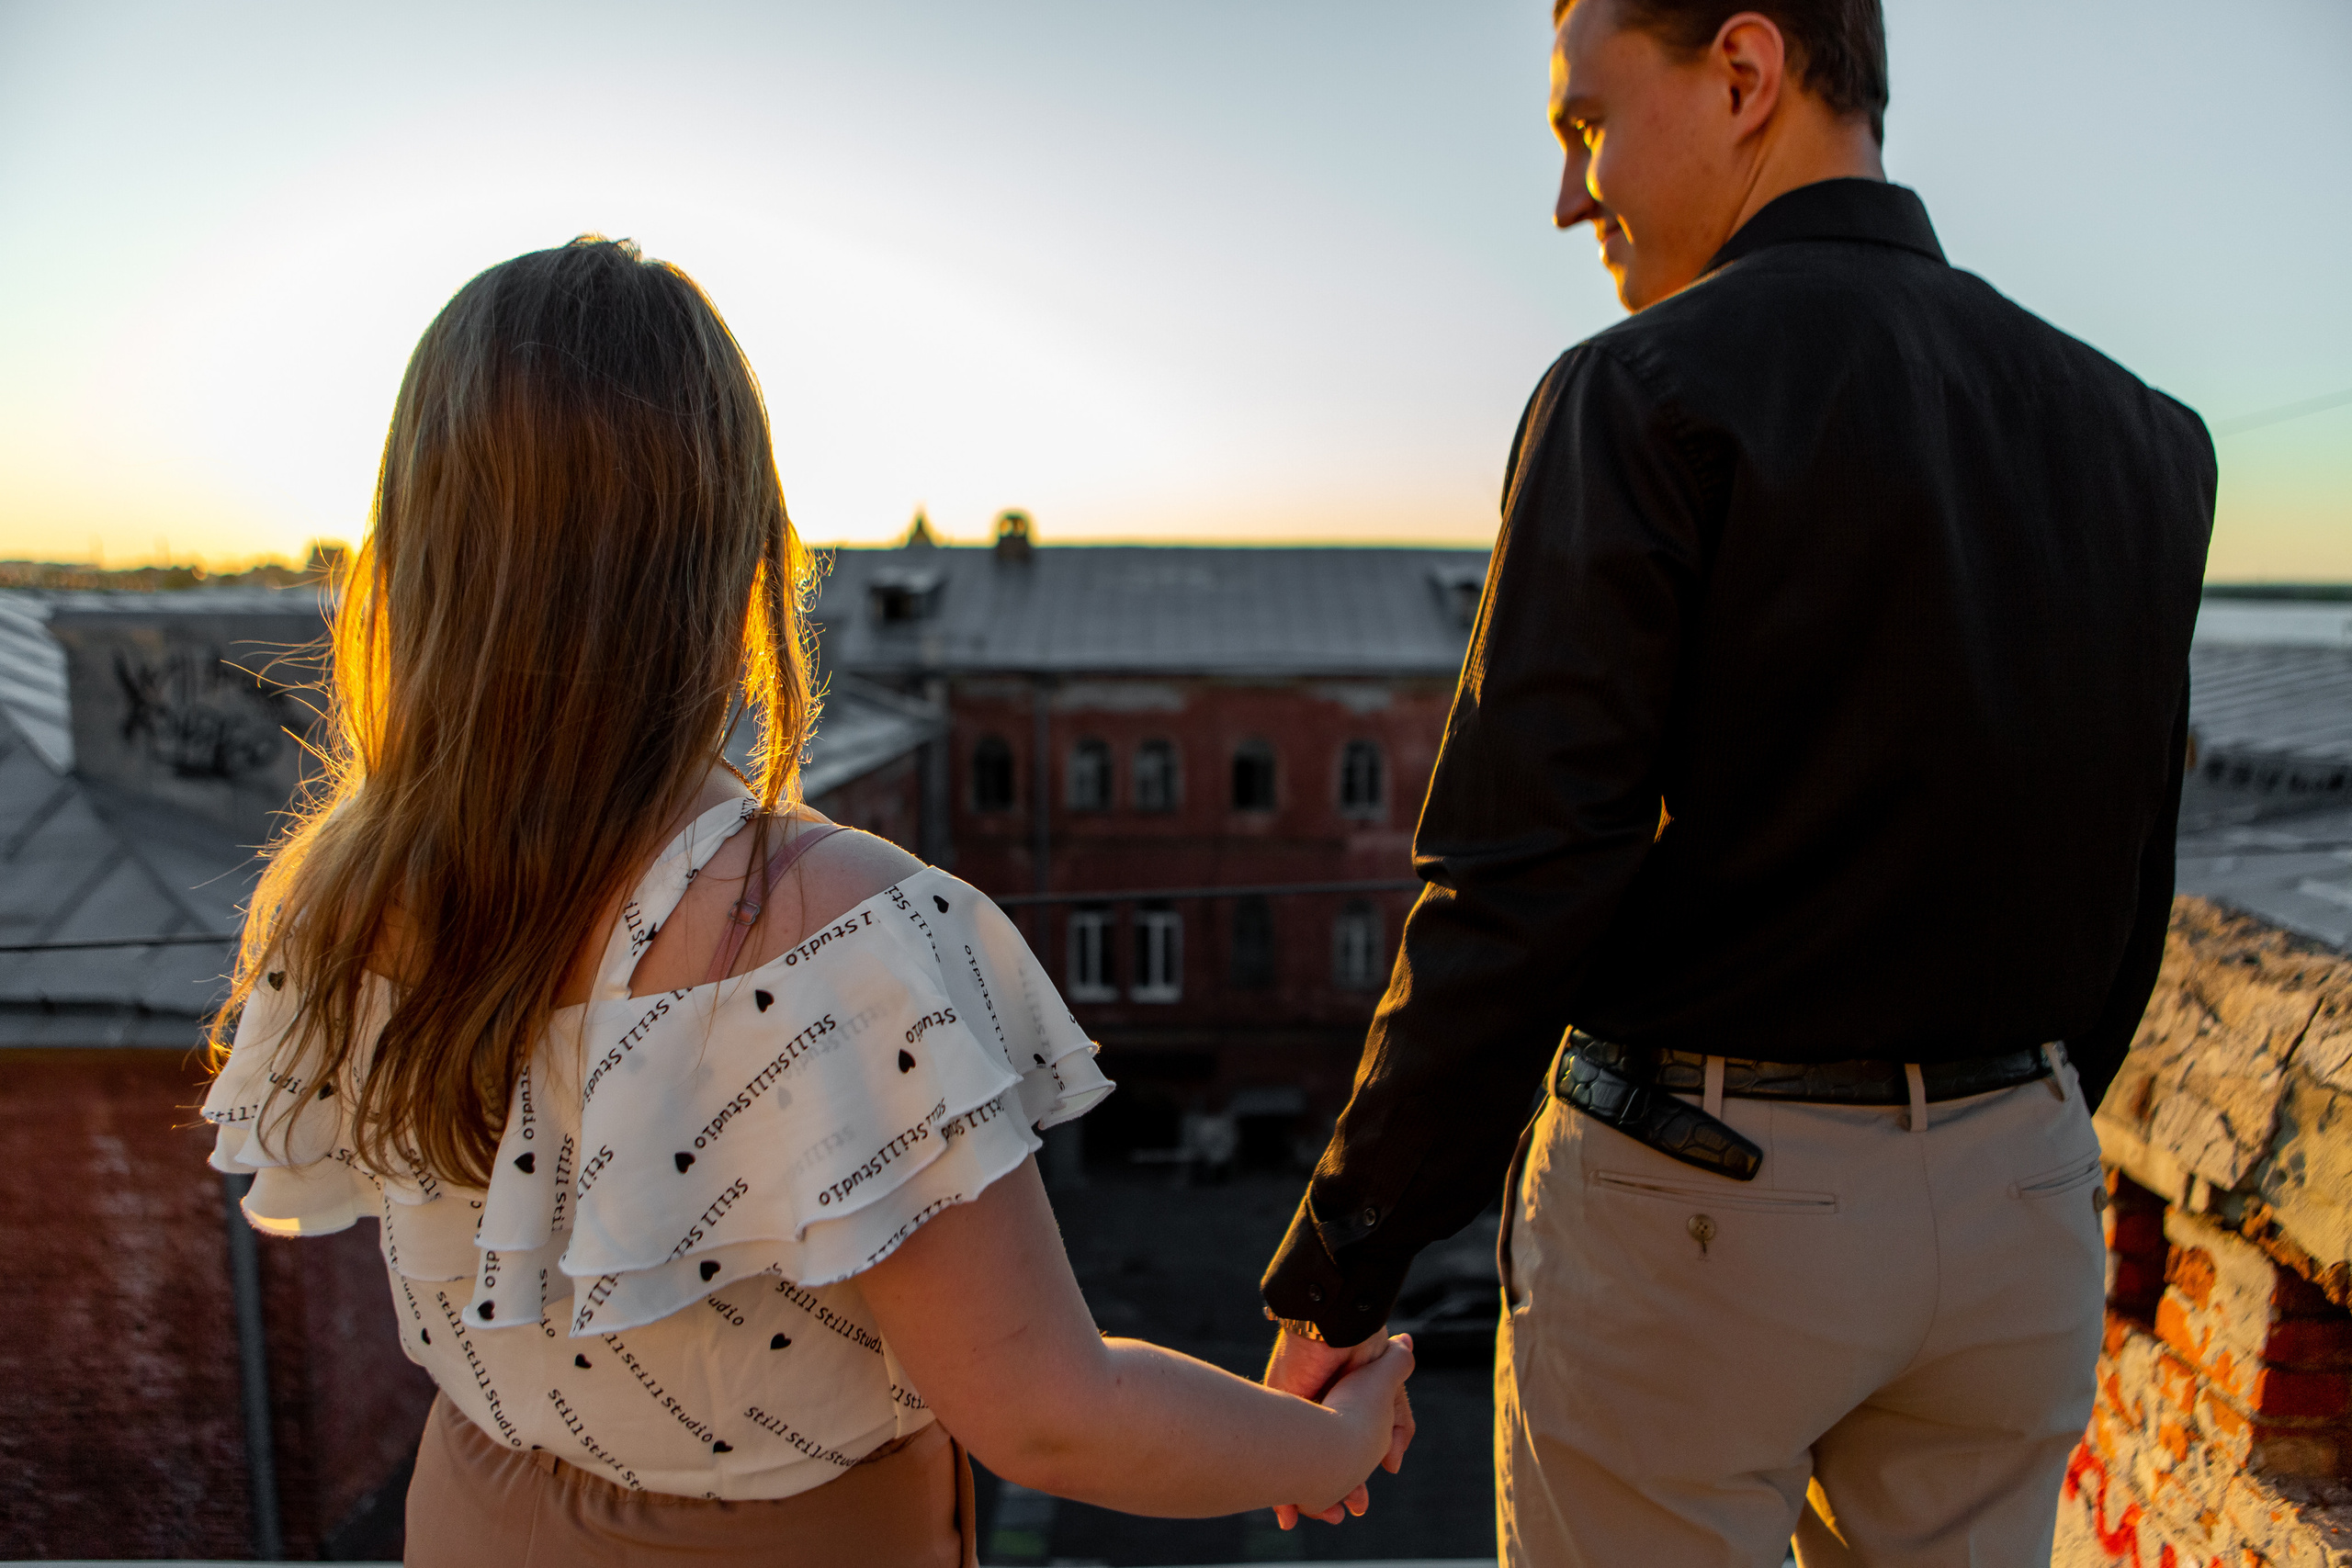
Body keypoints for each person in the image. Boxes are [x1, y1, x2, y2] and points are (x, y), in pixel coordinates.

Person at [201, 235, 1413, 1568]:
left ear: (419, 549)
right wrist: (1333, 1444)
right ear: (727, 547)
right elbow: (1054, 1419)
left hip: (471, 1525)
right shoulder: (826, 927)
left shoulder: (330, 900)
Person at [1258, 0, 2214, 1562]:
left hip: (1707, 1216)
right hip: (2022, 1212)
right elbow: (2130, 885)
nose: (1573, 195)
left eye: (1586, 125)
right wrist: (2004, 1138)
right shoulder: (2147, 438)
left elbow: (1516, 883)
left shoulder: (1636, 394)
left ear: (1746, 73)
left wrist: (1343, 1274)